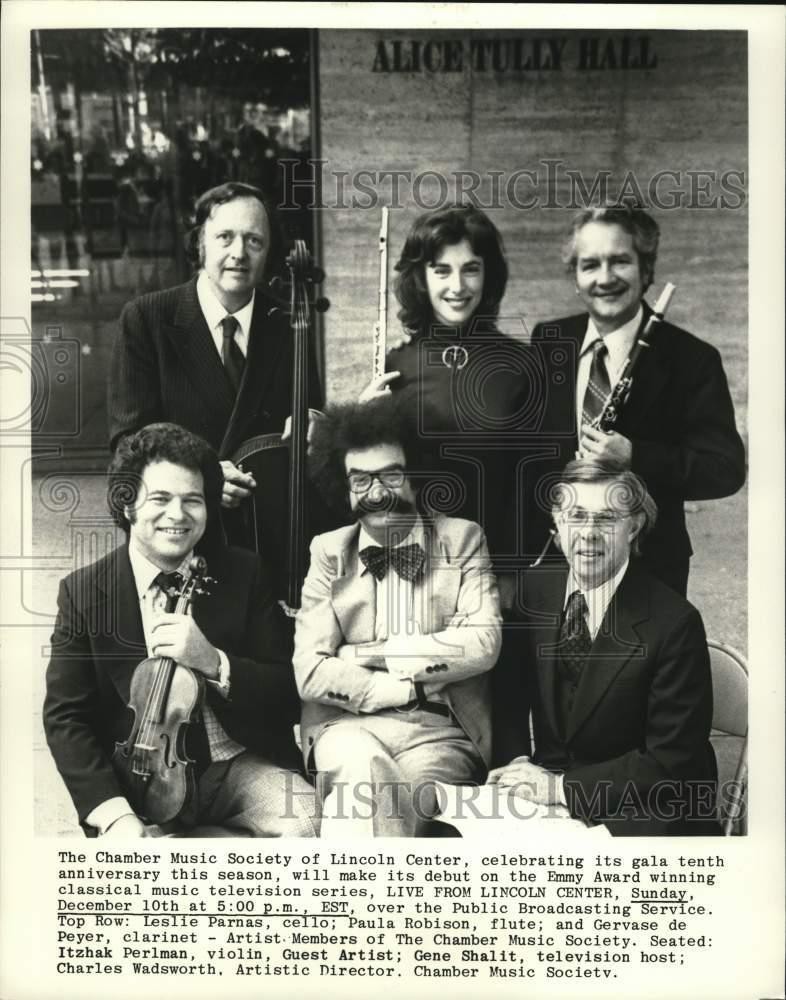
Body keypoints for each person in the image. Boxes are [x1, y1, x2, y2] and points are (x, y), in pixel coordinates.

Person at [43, 423, 319, 838]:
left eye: (193, 500)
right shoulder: (83, 592)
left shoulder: (244, 572)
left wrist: (214, 661)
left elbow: (286, 689)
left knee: (308, 820)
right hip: (138, 784)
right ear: (127, 504)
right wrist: (114, 813)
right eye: (160, 498)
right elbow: (66, 717)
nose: (177, 514)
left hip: (238, 767)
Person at [293, 397, 502, 836]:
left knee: (396, 808)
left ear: (415, 474)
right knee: (364, 774)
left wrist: (364, 654)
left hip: (438, 733)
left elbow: (482, 645)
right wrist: (399, 686)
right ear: (343, 486)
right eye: (361, 479)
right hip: (345, 724)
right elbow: (311, 672)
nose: (377, 493)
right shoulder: (327, 551)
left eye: (391, 474)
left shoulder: (462, 539)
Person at [491, 459, 719, 836]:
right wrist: (518, 765)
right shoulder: (534, 590)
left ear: (633, 527)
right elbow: (508, 697)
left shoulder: (675, 624)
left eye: (607, 518)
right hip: (545, 796)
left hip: (642, 808)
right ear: (558, 524)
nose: (589, 533)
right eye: (577, 515)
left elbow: (670, 761)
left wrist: (561, 790)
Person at [528, 203, 746, 594]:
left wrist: (635, 456)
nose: (605, 278)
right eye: (590, 265)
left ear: (646, 270)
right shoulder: (548, 341)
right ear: (575, 278)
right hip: (559, 558)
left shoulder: (691, 359)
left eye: (620, 261)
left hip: (651, 567)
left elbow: (724, 469)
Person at [108, 181, 323, 538]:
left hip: (266, 529)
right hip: (183, 529)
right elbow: (130, 444)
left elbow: (309, 410)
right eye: (225, 237)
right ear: (199, 244)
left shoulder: (288, 323)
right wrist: (203, 476)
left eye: (254, 240)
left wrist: (314, 420)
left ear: (268, 252)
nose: (239, 253)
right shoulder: (146, 318)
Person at [359, 205, 537, 575]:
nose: (458, 287)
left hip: (499, 567)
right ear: (421, 278)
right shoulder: (395, 367)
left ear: (489, 275)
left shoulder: (522, 365)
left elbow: (532, 485)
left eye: (471, 269)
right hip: (416, 566)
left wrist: (515, 576)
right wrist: (361, 426)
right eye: (442, 270)